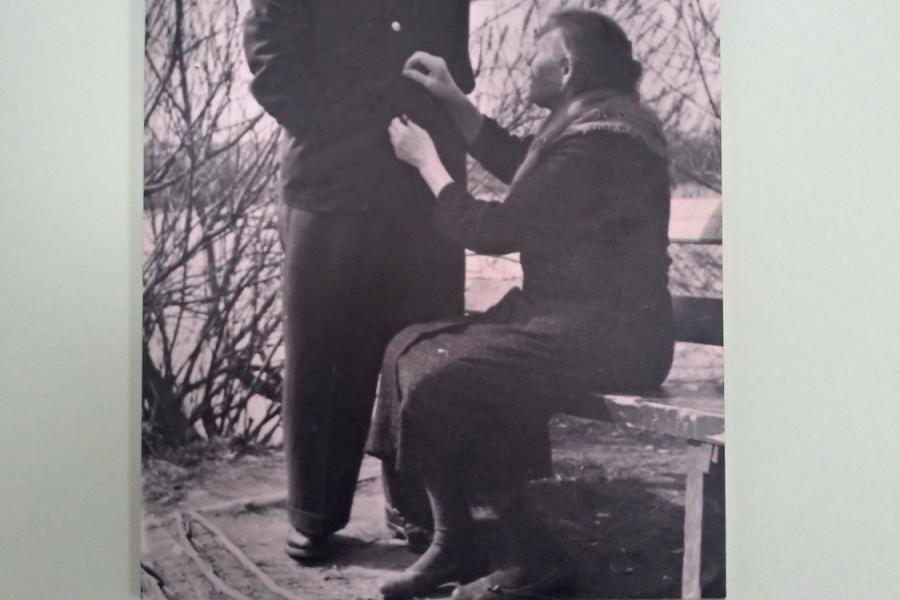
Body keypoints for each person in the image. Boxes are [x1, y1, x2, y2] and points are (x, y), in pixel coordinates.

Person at [366, 9, 675, 599]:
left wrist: (427, 162)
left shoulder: (599, 143)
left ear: (566, 68)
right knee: (408, 348)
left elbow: (493, 230)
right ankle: (455, 540)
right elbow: (524, 167)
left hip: (613, 340)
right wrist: (453, 99)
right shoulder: (597, 124)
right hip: (575, 324)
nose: (526, 65)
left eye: (537, 56)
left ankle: (537, 558)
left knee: (444, 376)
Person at [242, 1, 474, 562]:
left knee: (425, 352)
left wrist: (426, 143)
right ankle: (315, 513)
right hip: (332, 187)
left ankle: (420, 510)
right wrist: (367, 131)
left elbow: (458, 69)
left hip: (425, 189)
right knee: (323, 357)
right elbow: (274, 71)